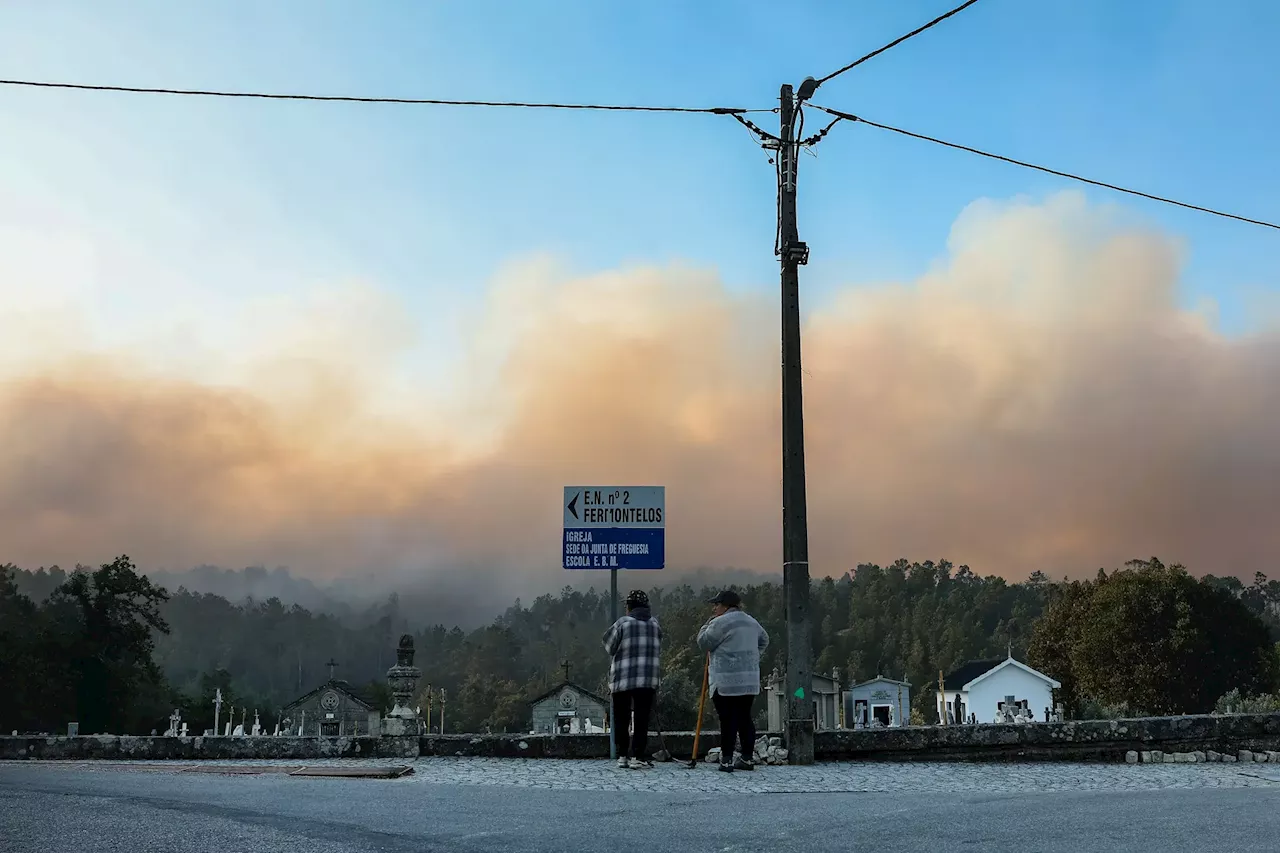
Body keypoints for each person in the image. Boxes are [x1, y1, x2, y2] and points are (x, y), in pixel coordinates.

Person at [697, 589, 769, 772]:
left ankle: (727, 759)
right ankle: (747, 758)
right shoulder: (752, 622)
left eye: (716, 605)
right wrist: (752, 658)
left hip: (725, 681)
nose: (714, 609)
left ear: (725, 606)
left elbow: (703, 642)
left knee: (727, 719)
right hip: (749, 680)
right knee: (745, 718)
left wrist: (706, 625)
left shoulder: (719, 623)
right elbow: (764, 640)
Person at [602, 589, 662, 769]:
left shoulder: (623, 623)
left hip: (623, 678)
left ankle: (622, 756)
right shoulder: (655, 624)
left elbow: (609, 647)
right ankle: (637, 756)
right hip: (647, 679)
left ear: (629, 607)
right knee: (642, 718)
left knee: (622, 717)